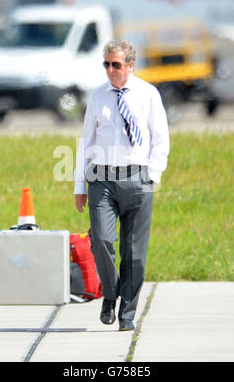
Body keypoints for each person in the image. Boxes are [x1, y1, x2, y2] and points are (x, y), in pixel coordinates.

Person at [74, 40, 170, 331]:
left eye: (116, 64)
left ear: (130, 64)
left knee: (134, 253)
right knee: (101, 241)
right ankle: (110, 292)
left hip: (137, 178)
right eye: (106, 64)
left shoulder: (147, 94)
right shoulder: (97, 97)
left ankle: (127, 313)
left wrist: (152, 175)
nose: (110, 70)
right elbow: (86, 142)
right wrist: (80, 184)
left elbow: (160, 138)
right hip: (101, 179)